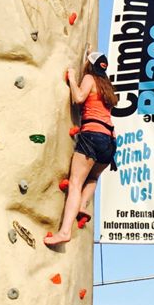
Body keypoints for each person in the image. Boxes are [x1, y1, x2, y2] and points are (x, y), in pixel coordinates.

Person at [45, 51, 118, 247]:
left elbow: (78, 98)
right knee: (93, 177)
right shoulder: (107, 87)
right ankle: (83, 205)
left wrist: (71, 78)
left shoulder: (89, 78)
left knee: (75, 183)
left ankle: (64, 231)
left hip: (92, 135)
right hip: (109, 140)